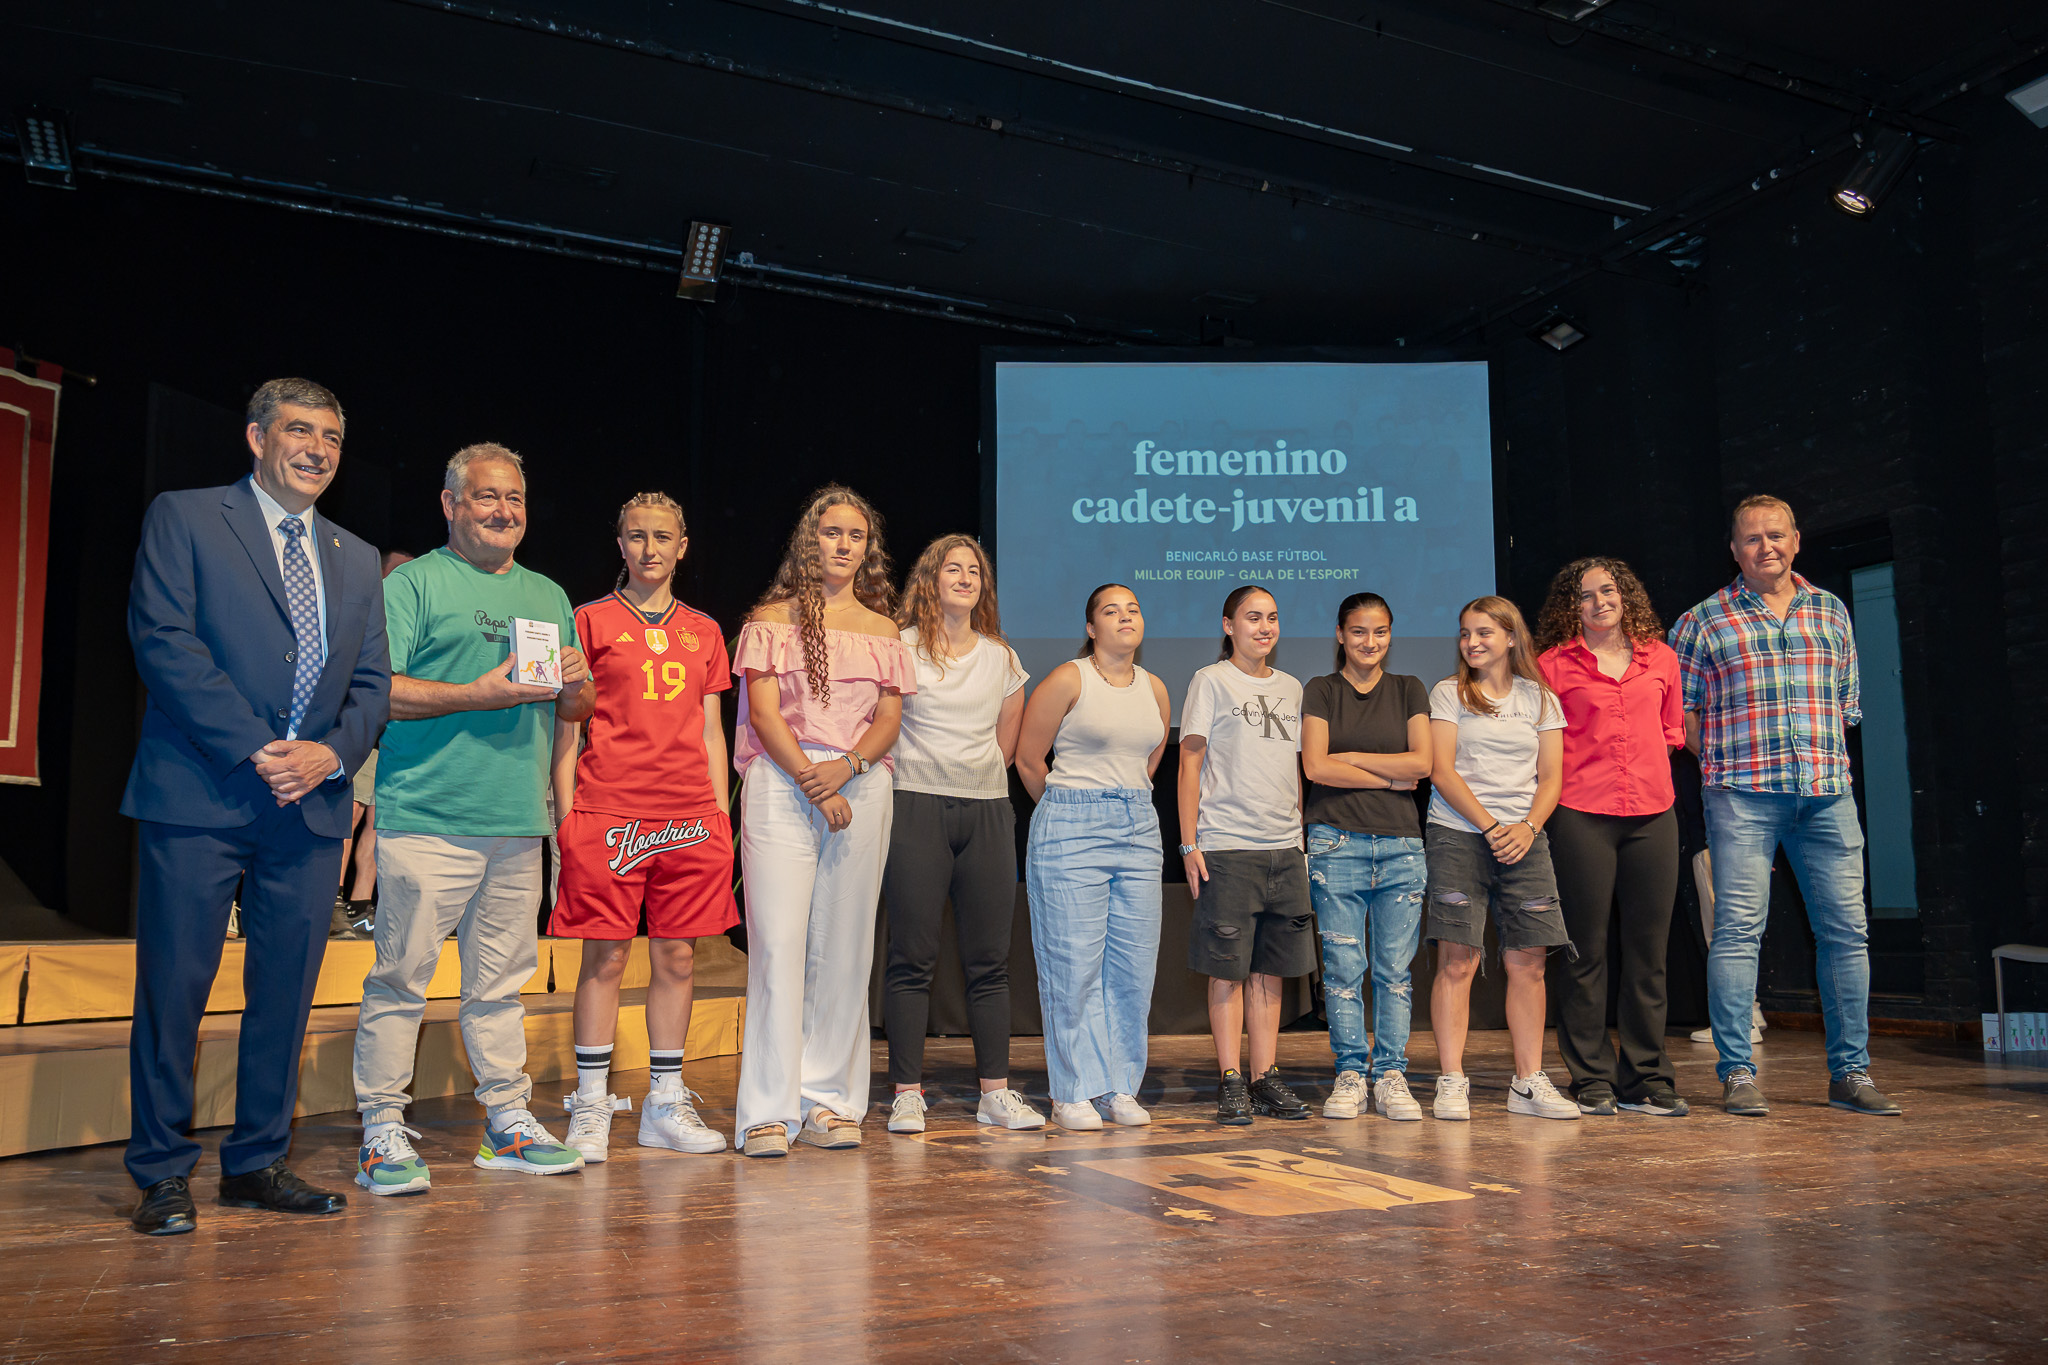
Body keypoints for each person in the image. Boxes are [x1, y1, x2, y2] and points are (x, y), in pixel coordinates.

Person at [121, 377, 390, 1235]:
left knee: (285, 993)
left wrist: (331, 754)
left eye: (331, 437)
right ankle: (162, 1171)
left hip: (308, 807)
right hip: (200, 791)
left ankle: (257, 1162)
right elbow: (163, 639)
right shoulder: (186, 516)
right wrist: (258, 746)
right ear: (257, 436)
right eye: (299, 430)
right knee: (175, 987)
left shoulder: (355, 555)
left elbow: (373, 684)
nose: (317, 449)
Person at [350, 443, 594, 1194]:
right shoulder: (413, 584)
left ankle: (508, 1122)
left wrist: (577, 683)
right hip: (429, 814)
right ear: (451, 504)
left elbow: (574, 708)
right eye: (487, 496)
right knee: (402, 978)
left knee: (500, 985)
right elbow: (378, 692)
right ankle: (380, 1130)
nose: (504, 510)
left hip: (517, 820)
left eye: (515, 498)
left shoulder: (548, 594)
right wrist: (477, 694)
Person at [1669, 494, 1899, 1117]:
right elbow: (1681, 716)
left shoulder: (1831, 611)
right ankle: (1738, 1073)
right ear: (1734, 549)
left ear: (1796, 540)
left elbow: (1846, 705)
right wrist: (1725, 765)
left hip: (1826, 797)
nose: (1765, 546)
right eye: (1752, 538)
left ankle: (1851, 1073)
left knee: (1846, 933)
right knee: (1738, 933)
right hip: (1741, 798)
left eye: (1776, 535)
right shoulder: (1701, 621)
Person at [552, 493, 736, 1160]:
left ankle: (664, 1101)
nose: (649, 548)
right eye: (636, 536)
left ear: (682, 546)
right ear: (620, 544)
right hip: (608, 811)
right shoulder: (588, 619)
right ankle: (591, 1104)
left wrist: (720, 815)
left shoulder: (705, 630)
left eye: (662, 536)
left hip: (687, 816)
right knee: (604, 956)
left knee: (677, 957)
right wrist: (566, 816)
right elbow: (568, 725)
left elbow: (710, 730)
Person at [732, 486, 914, 1158]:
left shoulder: (883, 629)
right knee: (778, 944)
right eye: (831, 532)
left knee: (844, 947)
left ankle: (829, 1101)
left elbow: (889, 720)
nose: (843, 544)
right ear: (809, 540)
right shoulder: (770, 618)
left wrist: (849, 768)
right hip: (783, 782)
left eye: (855, 535)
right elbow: (764, 713)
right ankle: (766, 1111)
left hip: (859, 783)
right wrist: (815, 779)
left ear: (869, 550)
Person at [882, 535, 1043, 1135]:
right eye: (953, 568)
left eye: (974, 570)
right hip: (915, 807)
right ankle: (906, 1093)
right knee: (911, 957)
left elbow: (1006, 742)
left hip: (987, 812)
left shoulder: (1001, 657)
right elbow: (883, 724)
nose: (966, 578)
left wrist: (971, 779)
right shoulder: (899, 647)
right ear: (931, 578)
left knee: (990, 961)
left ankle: (995, 1094)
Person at [1535, 558, 1688, 1117]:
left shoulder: (1661, 658)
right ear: (1570, 607)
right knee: (1585, 951)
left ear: (1625, 595)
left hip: (1653, 814)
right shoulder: (1552, 665)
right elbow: (1543, 742)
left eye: (1608, 591)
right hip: (1581, 814)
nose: (1599, 602)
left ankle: (1646, 1075)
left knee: (1649, 954)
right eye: (1584, 595)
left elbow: (1671, 730)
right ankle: (1591, 1075)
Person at [1015, 584, 1171, 1131]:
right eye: (1112, 611)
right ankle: (1073, 1090)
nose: (1125, 618)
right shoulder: (1068, 678)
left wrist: (1121, 802)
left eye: (1133, 609)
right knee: (1073, 965)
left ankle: (1118, 1086)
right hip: (1070, 825)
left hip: (1138, 826)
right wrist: (1070, 810)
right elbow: (1029, 759)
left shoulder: (1154, 686)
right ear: (1091, 628)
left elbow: (1150, 758)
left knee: (1132, 967)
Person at [1423, 596, 1579, 1122]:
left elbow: (1551, 778)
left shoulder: (1540, 699)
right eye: (1465, 633)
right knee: (1458, 960)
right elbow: (1442, 770)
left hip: (1524, 839)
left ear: (1511, 638)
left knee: (1528, 962)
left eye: (1484, 632)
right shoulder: (1448, 692)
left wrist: (1527, 828)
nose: (1472, 642)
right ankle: (1451, 1079)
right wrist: (1490, 827)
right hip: (1458, 836)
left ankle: (1527, 1081)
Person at [1178, 586, 1314, 1125]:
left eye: (1272, 618)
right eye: (1253, 617)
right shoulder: (1210, 681)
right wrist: (1190, 843)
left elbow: (1293, 770)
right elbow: (1190, 764)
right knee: (1227, 970)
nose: (1264, 627)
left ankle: (1265, 1077)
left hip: (1284, 848)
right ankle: (1231, 1078)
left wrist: (1299, 839)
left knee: (1270, 971)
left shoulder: (1292, 687)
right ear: (1228, 625)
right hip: (1228, 846)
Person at [1300, 593, 1432, 1122]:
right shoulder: (1321, 689)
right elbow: (1315, 767)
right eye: (1358, 631)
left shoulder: (1408, 688)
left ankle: (1391, 1074)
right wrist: (1388, 776)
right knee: (1342, 969)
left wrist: (1351, 758)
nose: (1369, 642)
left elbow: (1422, 763)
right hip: (1335, 844)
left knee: (1394, 972)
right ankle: (1351, 1073)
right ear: (1340, 635)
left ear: (1390, 635)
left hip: (1401, 847)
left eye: (1379, 632)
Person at [333, 549, 413, 939]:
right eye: (396, 573)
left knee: (381, 822)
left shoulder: (409, 619)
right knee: (348, 814)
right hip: (355, 730)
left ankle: (361, 907)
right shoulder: (359, 614)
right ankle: (332, 899)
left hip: (394, 737)